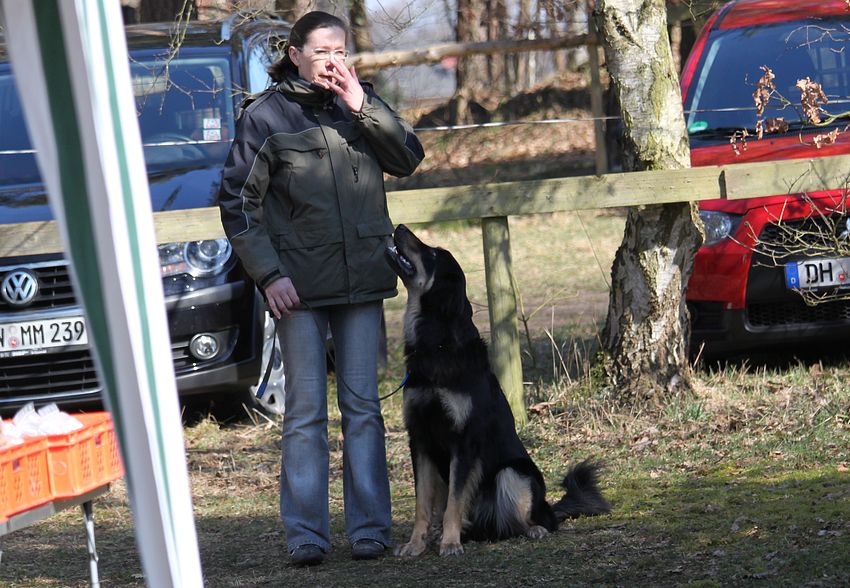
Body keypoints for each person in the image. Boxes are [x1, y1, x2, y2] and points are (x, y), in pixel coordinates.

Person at [218, 11, 424, 566]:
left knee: (363, 409)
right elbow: (238, 204)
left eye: (340, 51)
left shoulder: (362, 103)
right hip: (298, 289)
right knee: (305, 413)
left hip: (361, 282)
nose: (333, 61)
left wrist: (362, 106)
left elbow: (408, 158)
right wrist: (269, 275)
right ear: (295, 54)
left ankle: (370, 530)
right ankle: (306, 535)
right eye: (322, 51)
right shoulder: (265, 116)